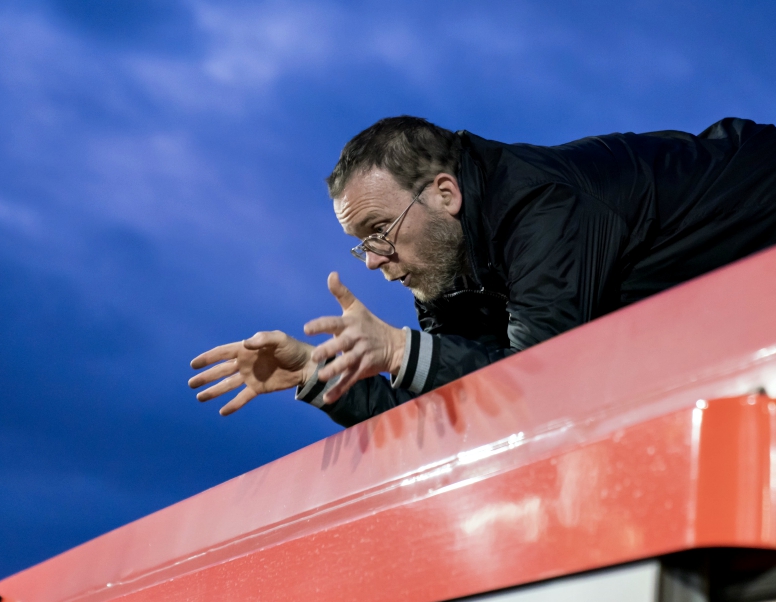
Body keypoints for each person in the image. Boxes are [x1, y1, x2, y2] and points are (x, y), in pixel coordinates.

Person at [189, 116, 776, 427]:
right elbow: (453, 407)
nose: (372, 261)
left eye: (379, 232)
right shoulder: (449, 269)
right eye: (359, 245)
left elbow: (537, 383)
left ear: (445, 193)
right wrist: (321, 375)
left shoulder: (541, 207)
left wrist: (399, 350)